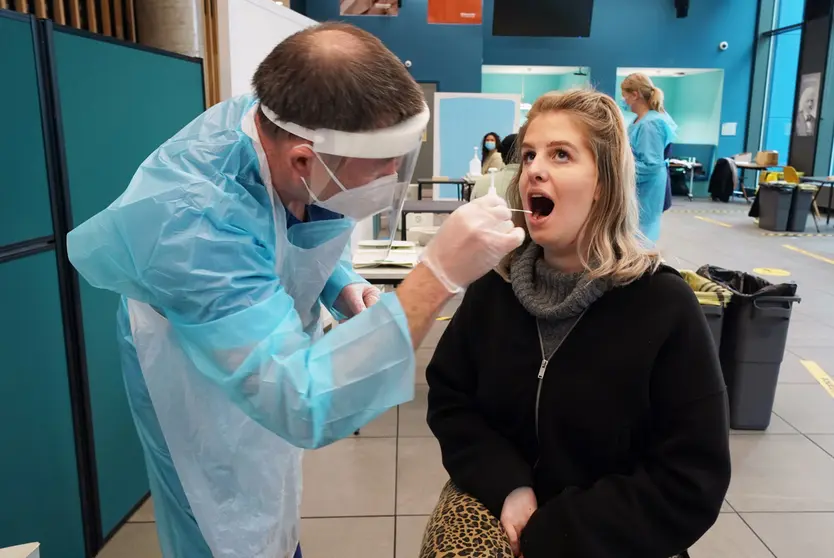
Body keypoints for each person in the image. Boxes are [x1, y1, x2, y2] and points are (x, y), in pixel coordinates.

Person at [66, 23, 524, 558]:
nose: (393, 173)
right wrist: (437, 276)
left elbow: (285, 232)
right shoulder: (191, 226)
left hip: (259, 345)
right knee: (227, 522)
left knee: (272, 505)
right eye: (383, 163)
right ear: (304, 159)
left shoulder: (280, 121)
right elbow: (303, 403)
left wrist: (345, 285)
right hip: (195, 382)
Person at [426, 89, 731, 558]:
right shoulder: (494, 290)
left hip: (614, 538)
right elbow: (450, 398)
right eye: (528, 155)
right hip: (499, 507)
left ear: (604, 183)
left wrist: (559, 531)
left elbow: (691, 476)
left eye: (560, 155)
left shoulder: (663, 305)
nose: (534, 169)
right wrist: (506, 485)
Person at [621, 73, 677, 243]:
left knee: (640, 234)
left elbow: (650, 164)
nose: (623, 99)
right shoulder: (640, 120)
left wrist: (619, 171)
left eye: (624, 95)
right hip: (638, 185)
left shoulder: (651, 123)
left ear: (635, 94)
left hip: (647, 187)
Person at [471, 133, 519, 200]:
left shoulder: (496, 157)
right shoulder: (487, 156)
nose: (489, 142)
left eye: (492, 140)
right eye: (487, 140)